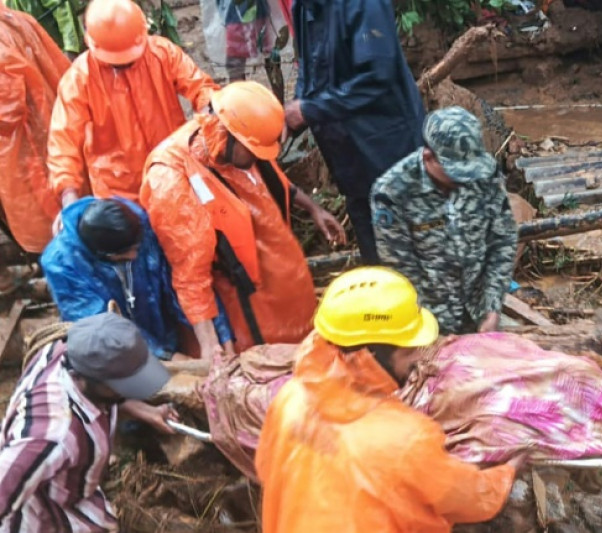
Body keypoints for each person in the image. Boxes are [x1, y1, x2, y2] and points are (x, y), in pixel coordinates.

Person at [256, 266, 518, 532]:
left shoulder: (289, 400)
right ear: (371, 354)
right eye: (410, 349)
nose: (418, 358)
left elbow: (267, 468)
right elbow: (466, 498)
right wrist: (506, 473)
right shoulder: (406, 437)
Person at [141, 81, 345, 357]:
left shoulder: (239, 144)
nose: (256, 159)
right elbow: (191, 277)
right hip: (245, 305)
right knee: (272, 371)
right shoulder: (172, 180)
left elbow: (271, 179)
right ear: (227, 134)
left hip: (287, 281)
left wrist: (313, 208)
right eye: (253, 152)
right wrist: (211, 344)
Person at [0, 314, 174, 531]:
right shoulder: (52, 434)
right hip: (40, 514)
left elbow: (108, 396)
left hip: (68, 487)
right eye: (122, 385)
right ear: (88, 379)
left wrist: (145, 411)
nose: (128, 390)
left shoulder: (65, 348)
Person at [284, 0, 426, 264]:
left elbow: (376, 78)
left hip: (389, 151)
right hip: (349, 159)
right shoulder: (303, 7)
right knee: (376, 259)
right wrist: (294, 110)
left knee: (411, 256)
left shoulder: (363, 5)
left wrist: (308, 110)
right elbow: (308, 69)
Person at [47, 0, 219, 215]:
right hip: (119, 194)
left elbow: (201, 88)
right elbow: (63, 141)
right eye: (115, 63)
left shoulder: (163, 53)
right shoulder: (79, 79)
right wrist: (68, 195)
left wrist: (209, 118)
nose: (123, 65)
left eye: (129, 60)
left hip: (174, 171)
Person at [372, 107, 518, 334]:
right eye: (456, 172)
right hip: (427, 320)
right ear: (428, 156)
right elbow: (401, 271)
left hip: (480, 312)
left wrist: (491, 307)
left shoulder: (483, 174)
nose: (465, 179)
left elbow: (503, 240)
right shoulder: (392, 192)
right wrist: (426, 330)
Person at [41, 198, 234, 360]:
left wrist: (221, 335)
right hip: (113, 354)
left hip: (159, 326)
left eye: (137, 248)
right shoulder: (62, 265)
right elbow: (104, 326)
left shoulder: (137, 223)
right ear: (103, 254)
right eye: (126, 253)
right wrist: (168, 356)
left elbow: (179, 282)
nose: (135, 256)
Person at [0, 3, 70, 287]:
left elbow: (8, 109)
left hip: (23, 143)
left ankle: (59, 271)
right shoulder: (17, 19)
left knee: (43, 213)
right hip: (46, 126)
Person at [5, 0, 84, 58]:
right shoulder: (5, 5)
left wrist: (70, 48)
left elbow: (61, 10)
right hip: (46, 62)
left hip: (69, 51)